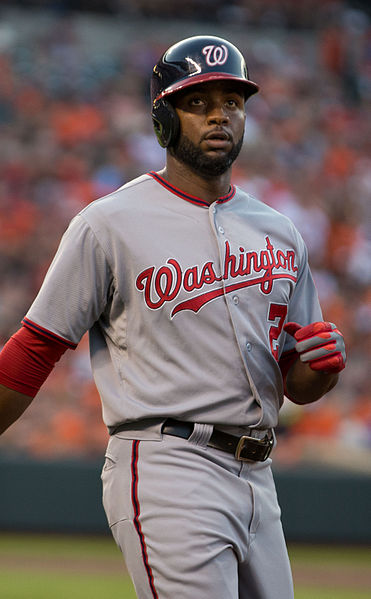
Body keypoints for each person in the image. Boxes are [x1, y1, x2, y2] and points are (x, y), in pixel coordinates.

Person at [0, 35, 346, 599]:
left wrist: (319, 371)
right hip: (167, 464)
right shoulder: (109, 222)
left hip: (259, 474)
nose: (219, 116)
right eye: (197, 102)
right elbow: (35, 347)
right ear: (163, 117)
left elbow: (292, 380)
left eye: (231, 103)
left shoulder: (280, 231)